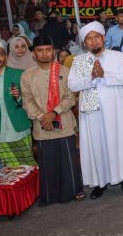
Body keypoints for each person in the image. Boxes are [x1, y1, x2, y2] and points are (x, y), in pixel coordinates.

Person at [68, 22, 123, 198]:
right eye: (89, 39)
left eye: (96, 37)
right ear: (84, 43)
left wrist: (104, 75)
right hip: (92, 113)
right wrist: (91, 77)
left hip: (115, 109)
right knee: (96, 144)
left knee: (118, 141)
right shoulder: (79, 61)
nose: (93, 41)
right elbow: (72, 84)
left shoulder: (118, 56)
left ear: (103, 38)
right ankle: (100, 182)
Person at [20, 35, 84, 205]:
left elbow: (71, 97)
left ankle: (73, 190)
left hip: (64, 121)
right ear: (34, 53)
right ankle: (49, 196)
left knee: (68, 159)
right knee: (47, 161)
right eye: (40, 51)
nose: (44, 54)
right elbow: (27, 100)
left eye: (48, 50)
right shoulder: (27, 75)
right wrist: (43, 117)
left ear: (53, 51)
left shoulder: (64, 71)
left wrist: (53, 113)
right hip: (42, 125)